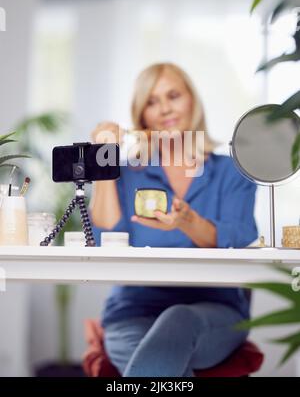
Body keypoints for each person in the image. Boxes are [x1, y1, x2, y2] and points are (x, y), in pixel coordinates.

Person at [89, 62, 258, 377]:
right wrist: (104, 158)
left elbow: (240, 234)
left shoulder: (232, 172)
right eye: (152, 102)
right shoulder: (127, 173)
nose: (164, 108)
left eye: (173, 96)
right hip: (132, 312)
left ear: (192, 100)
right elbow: (105, 239)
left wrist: (187, 222)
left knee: (179, 319)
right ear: (142, 117)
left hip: (214, 311)